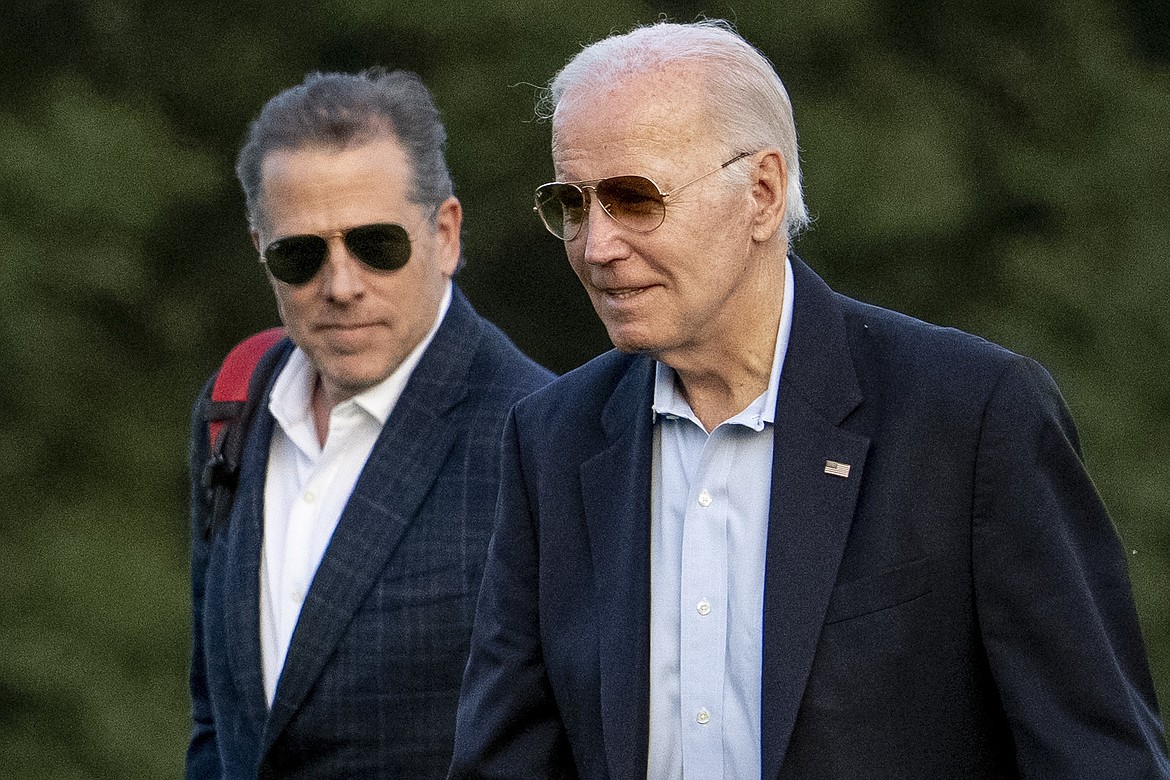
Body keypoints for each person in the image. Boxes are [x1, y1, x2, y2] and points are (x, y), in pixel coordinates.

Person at [449, 20, 1169, 779]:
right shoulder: (551, 438)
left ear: (761, 193)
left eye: (634, 199)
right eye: (572, 203)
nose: (596, 246)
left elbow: (1097, 755)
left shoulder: (971, 415)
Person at [185, 68, 552, 778]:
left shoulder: (538, 437)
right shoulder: (231, 408)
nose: (341, 285)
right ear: (261, 249)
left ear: (445, 234)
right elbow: (216, 720)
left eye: (377, 245)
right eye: (301, 254)